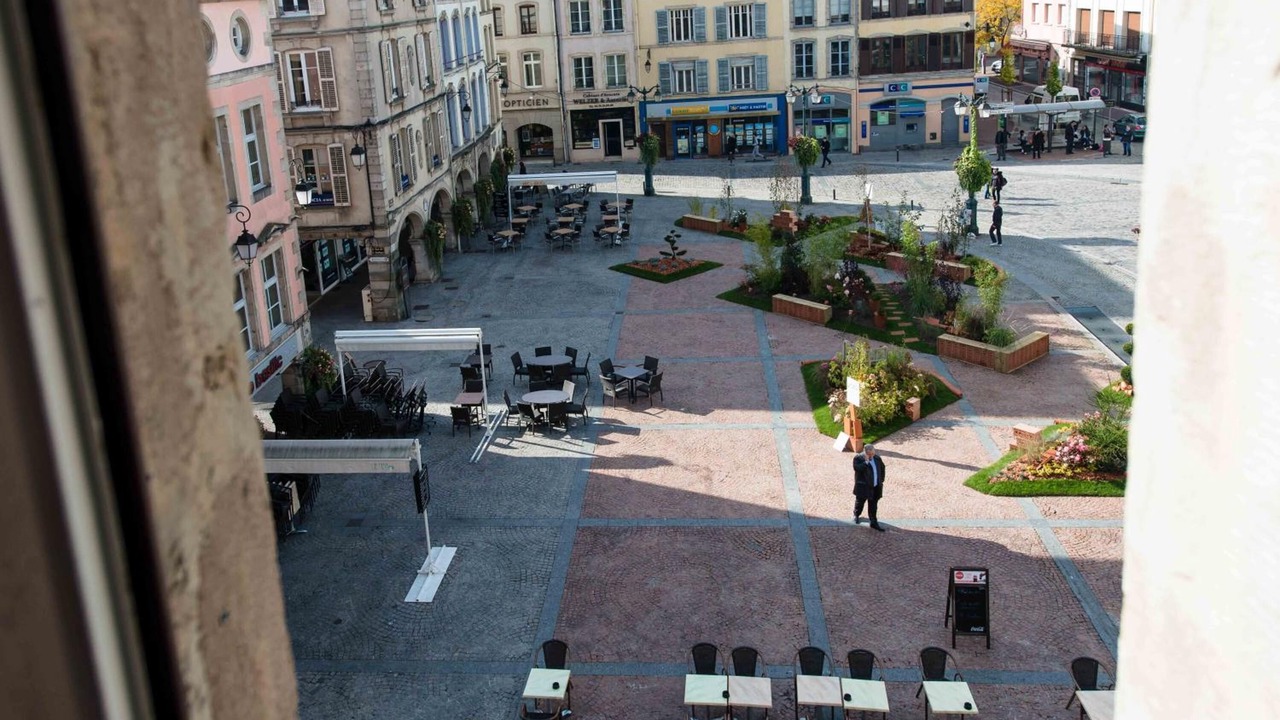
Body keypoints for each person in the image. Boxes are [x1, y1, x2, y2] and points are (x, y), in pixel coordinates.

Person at [852, 445, 886, 531]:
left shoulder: (877, 458)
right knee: (860, 502)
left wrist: (880, 480)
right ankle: (856, 514)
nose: (871, 456)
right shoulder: (858, 458)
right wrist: (866, 462)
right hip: (863, 486)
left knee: (873, 505)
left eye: (872, 454)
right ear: (865, 453)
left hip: (875, 487)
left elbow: (882, 468)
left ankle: (873, 522)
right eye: (869, 454)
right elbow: (857, 468)